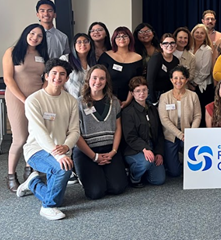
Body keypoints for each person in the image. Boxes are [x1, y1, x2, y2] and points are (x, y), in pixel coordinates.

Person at [17, 58, 79, 220]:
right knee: (63, 168)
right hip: (37, 150)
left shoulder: (71, 101)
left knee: (58, 197)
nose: (57, 77)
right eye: (54, 73)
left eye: (62, 74)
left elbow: (74, 131)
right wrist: (58, 155)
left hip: (61, 150)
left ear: (66, 78)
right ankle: (47, 207)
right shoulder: (34, 100)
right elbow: (39, 132)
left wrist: (66, 147)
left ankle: (33, 183)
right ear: (46, 76)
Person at [3, 24, 49, 192]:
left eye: (39, 36)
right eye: (32, 33)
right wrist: (24, 99)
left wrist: (42, 94)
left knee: (34, 137)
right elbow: (8, 79)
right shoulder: (12, 51)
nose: (35, 37)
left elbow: (46, 78)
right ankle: (10, 175)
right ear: (25, 34)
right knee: (20, 138)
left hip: (37, 99)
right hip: (17, 98)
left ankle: (30, 170)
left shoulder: (42, 55)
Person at [74, 65, 128, 200]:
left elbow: (118, 128)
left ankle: (103, 175)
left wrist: (114, 151)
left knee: (118, 188)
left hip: (110, 150)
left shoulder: (114, 101)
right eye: (94, 78)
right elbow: (75, 134)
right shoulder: (78, 103)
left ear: (106, 81)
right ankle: (85, 176)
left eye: (102, 78)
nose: (98, 82)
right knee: (96, 192)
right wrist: (94, 156)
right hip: (87, 152)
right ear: (88, 80)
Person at [122, 76, 166, 188]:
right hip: (134, 150)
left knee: (158, 180)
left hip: (152, 148)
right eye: (137, 91)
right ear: (132, 93)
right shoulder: (128, 112)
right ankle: (134, 177)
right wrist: (145, 149)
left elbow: (160, 133)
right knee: (146, 162)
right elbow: (130, 137)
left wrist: (159, 153)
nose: (141, 93)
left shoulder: (152, 109)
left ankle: (145, 172)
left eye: (144, 90)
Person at [158, 66, 201, 177]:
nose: (178, 81)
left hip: (188, 134)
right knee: (174, 172)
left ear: (186, 80)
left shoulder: (193, 96)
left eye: (182, 78)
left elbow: (197, 116)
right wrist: (180, 135)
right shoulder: (164, 97)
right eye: (175, 78)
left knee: (192, 166)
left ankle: (183, 157)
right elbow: (164, 119)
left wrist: (191, 133)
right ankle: (178, 158)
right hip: (171, 136)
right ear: (171, 80)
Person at [98, 27, 143, 108]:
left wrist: (127, 101)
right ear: (114, 39)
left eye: (125, 36)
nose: (121, 38)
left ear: (130, 38)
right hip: (107, 98)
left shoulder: (138, 58)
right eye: (118, 36)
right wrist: (112, 98)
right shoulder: (106, 56)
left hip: (130, 100)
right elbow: (100, 78)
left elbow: (137, 82)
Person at [60, 33, 97, 99]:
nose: (83, 44)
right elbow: (58, 81)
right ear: (74, 45)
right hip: (69, 100)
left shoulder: (94, 62)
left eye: (86, 41)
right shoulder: (65, 59)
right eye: (79, 42)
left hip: (88, 101)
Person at [190, 24, 214, 125]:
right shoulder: (188, 48)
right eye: (197, 32)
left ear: (206, 36)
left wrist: (193, 84)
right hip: (188, 85)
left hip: (202, 88)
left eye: (202, 33)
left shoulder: (207, 50)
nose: (199, 35)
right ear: (193, 33)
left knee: (201, 115)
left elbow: (205, 71)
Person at [146, 33, 180, 104]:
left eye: (172, 43)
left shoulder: (176, 60)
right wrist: (154, 101)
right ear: (161, 46)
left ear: (176, 45)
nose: (169, 46)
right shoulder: (156, 58)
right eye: (166, 43)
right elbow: (150, 81)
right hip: (155, 94)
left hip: (168, 94)